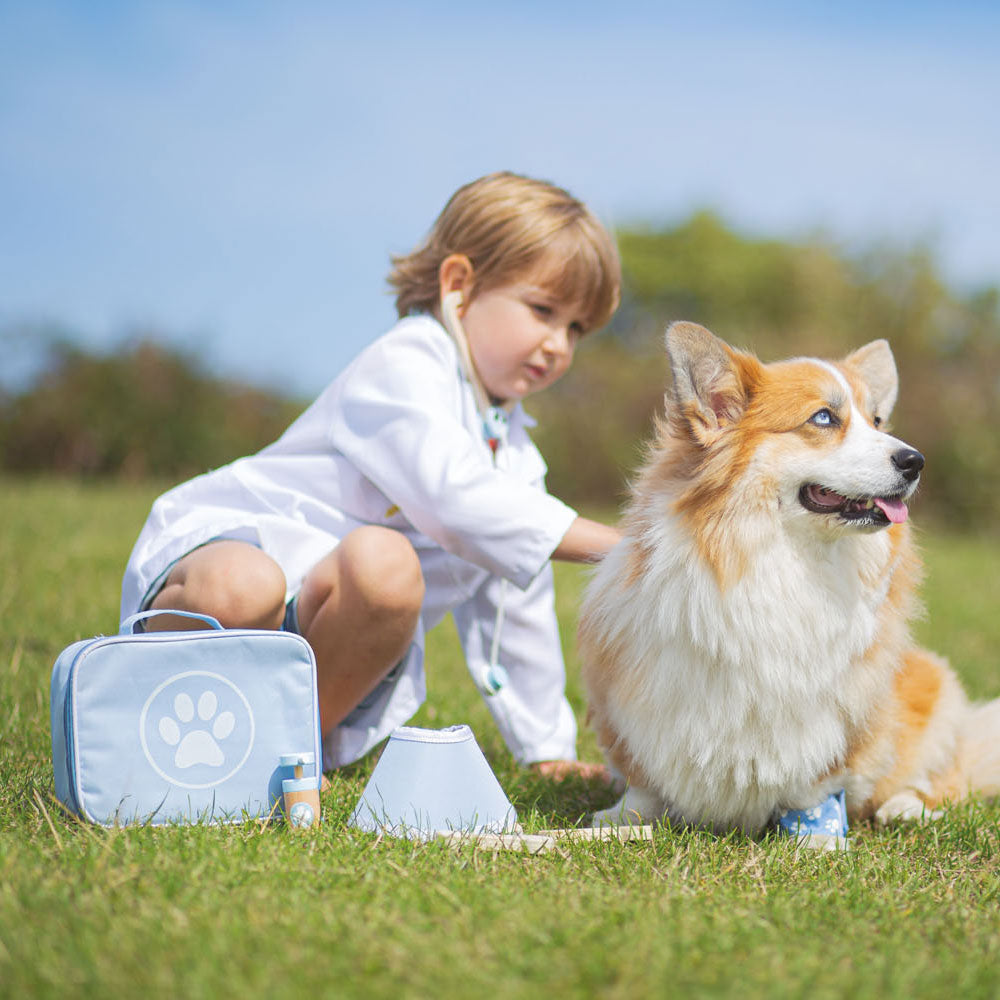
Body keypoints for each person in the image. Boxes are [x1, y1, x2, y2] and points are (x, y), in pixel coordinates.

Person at [120, 171, 622, 779]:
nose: (559, 344)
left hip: (327, 628)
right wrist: (627, 548)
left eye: (576, 328)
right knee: (243, 584)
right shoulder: (406, 364)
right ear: (459, 286)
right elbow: (458, 500)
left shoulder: (513, 455)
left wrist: (545, 749)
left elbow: (516, 608)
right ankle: (151, 728)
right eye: (543, 311)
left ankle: (278, 759)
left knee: (385, 570)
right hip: (233, 566)